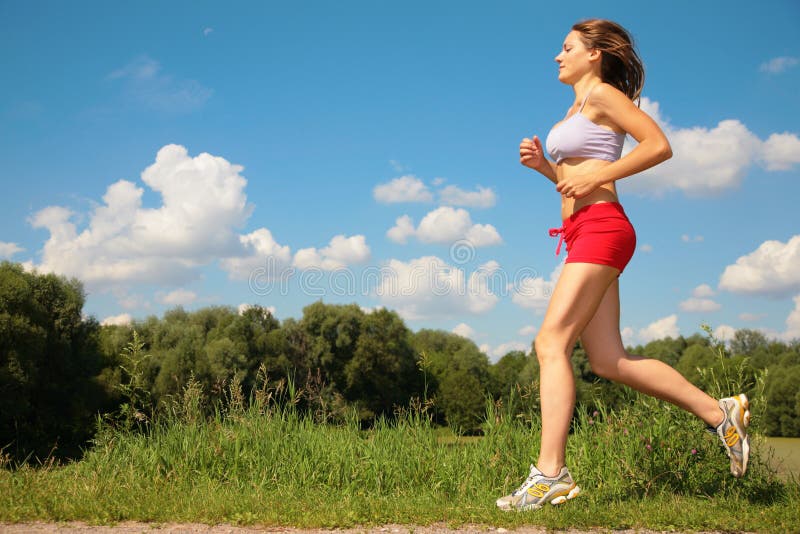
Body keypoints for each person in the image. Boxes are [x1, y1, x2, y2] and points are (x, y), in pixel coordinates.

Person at [496, 19, 751, 512]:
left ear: (594, 54)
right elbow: (576, 180)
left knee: (550, 342)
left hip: (603, 228)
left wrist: (601, 175)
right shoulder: (576, 106)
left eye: (566, 47)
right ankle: (718, 412)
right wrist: (546, 170)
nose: (557, 56)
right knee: (609, 361)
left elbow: (659, 145)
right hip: (583, 231)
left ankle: (550, 474)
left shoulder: (604, 96)